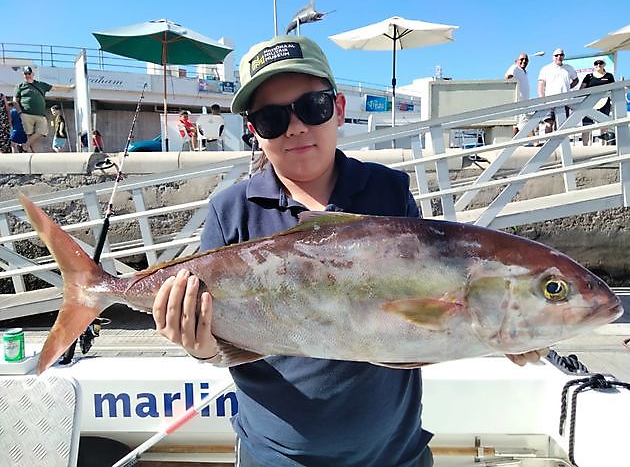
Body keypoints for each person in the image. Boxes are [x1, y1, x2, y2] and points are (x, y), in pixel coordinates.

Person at [152, 35, 547, 467]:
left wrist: (504, 330)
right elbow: (217, 343)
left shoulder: (387, 191)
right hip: (276, 457)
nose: (296, 127)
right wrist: (200, 345)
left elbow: (430, 306)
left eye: (312, 107)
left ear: (338, 109)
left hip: (393, 452)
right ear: (253, 131)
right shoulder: (231, 212)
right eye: (270, 118)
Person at [14, 66, 74, 152]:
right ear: (23, 75)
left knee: (43, 131)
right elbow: (15, 100)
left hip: (40, 114)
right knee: (29, 134)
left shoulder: (40, 84)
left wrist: (68, 87)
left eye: (29, 73)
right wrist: (20, 112)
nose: (28, 75)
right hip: (26, 114)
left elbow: (54, 88)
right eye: (25, 73)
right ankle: (32, 153)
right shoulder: (20, 86)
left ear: (33, 74)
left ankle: (24, 146)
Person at [537, 48, 578, 134]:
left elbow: (576, 80)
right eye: (556, 55)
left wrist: (568, 87)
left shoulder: (569, 68)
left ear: (564, 56)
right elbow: (541, 84)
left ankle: (560, 146)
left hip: (564, 101)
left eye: (561, 55)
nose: (559, 57)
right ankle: (548, 144)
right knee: (549, 123)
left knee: (562, 125)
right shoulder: (546, 68)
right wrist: (542, 99)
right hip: (549, 100)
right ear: (552, 57)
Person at [579, 59, 615, 145]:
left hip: (605, 102)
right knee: (586, 125)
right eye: (596, 63)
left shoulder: (609, 76)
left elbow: (614, 89)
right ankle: (585, 146)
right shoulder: (589, 76)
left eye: (600, 63)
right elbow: (582, 89)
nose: (598, 65)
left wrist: (613, 103)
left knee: (604, 123)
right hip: (590, 103)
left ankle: (603, 144)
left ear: (604, 65)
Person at [505, 53, 530, 136]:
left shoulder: (524, 72)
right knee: (526, 124)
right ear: (516, 61)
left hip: (524, 103)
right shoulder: (514, 67)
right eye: (521, 59)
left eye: (526, 60)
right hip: (519, 103)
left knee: (516, 126)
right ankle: (536, 143)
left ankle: (511, 143)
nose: (524, 61)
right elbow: (507, 77)